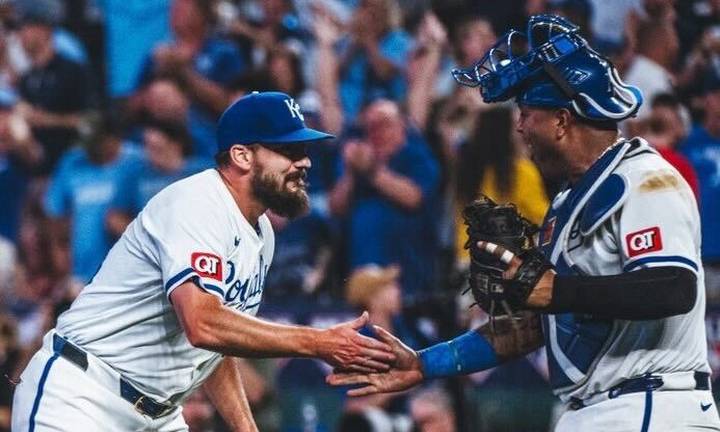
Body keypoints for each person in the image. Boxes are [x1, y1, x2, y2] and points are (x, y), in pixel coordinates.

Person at [328, 15, 720, 431]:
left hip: (649, 402)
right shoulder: (569, 201)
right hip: (597, 407)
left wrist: (557, 290)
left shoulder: (644, 179)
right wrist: (427, 363)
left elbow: (674, 287)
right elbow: (539, 322)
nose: (519, 126)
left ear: (562, 120)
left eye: (527, 112)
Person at [11, 91, 394, 432]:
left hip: (159, 413)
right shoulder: (197, 204)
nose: (304, 162)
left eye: (304, 151)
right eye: (288, 151)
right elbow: (202, 323)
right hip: (83, 396)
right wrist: (316, 341)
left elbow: (214, 346)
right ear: (242, 155)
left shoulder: (262, 233)